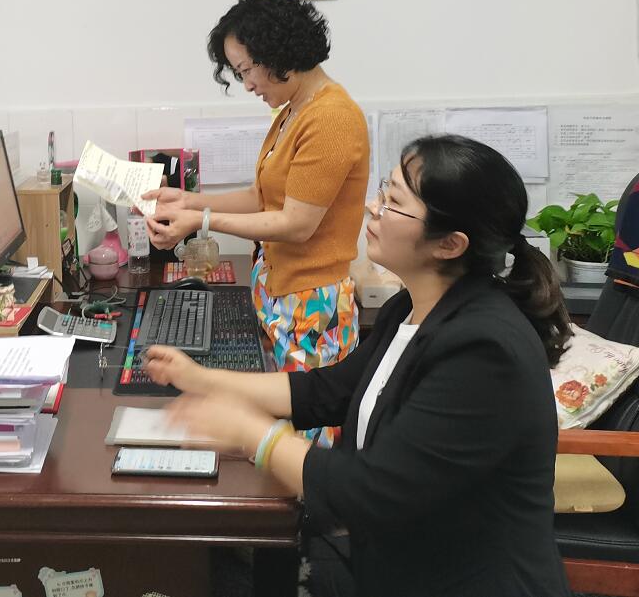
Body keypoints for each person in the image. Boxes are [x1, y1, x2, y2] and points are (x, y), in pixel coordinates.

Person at [146, 135, 573, 597]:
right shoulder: (411, 309)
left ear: (450, 244)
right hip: (393, 562)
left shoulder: (484, 353)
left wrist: (252, 432)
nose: (373, 208)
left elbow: (370, 494)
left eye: (394, 202)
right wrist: (200, 378)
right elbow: (326, 391)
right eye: (384, 191)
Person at [144, 0, 370, 395]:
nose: (248, 85)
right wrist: (190, 201)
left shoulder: (331, 117)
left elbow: (297, 224)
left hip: (311, 303)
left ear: (278, 53)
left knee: (308, 421)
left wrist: (200, 220)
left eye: (247, 70)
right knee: (279, 410)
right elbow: (261, 197)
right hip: (281, 292)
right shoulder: (293, 111)